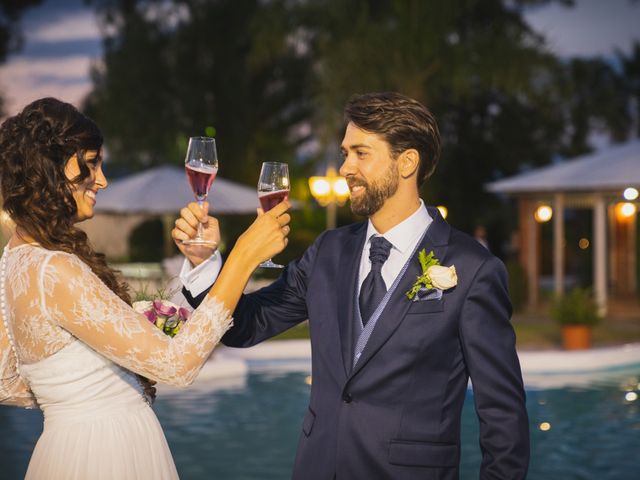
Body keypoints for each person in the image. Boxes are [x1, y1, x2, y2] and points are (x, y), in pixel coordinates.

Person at [175, 92, 529, 479]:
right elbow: (244, 326)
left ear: (407, 162)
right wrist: (206, 263)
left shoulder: (473, 268)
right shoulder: (327, 251)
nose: (345, 168)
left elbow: (503, 416)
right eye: (345, 153)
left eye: (361, 153)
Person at [0, 97, 291, 480]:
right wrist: (243, 255)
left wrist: (90, 388)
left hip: (67, 450)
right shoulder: (56, 269)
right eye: (91, 163)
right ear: (52, 168)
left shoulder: (16, 257)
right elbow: (177, 366)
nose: (101, 179)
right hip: (106, 457)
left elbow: (7, 380)